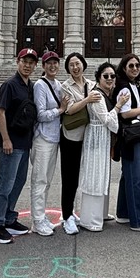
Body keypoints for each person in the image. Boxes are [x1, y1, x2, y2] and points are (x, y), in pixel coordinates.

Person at [0, 48, 39, 244]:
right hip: (10, 143)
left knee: (18, 182)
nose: (27, 65)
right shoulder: (9, 85)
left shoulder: (30, 85)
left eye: (31, 62)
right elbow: (0, 112)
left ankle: (9, 218)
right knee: (5, 185)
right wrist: (6, 139)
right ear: (18, 61)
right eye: (24, 61)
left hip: (24, 143)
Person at [113, 54, 140, 232]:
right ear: (124, 68)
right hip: (130, 135)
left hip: (131, 134)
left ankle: (123, 213)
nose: (134, 69)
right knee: (136, 178)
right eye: (131, 66)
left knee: (128, 175)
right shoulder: (124, 87)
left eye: (137, 66)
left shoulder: (132, 85)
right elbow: (124, 113)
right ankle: (139, 220)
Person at [75, 62, 120, 232]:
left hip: (104, 139)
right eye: (106, 76)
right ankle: (90, 219)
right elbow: (107, 120)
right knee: (94, 175)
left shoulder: (108, 93)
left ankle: (101, 213)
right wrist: (119, 105)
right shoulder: (97, 94)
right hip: (96, 138)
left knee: (103, 175)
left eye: (112, 76)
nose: (109, 79)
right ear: (98, 78)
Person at [29, 50, 67, 236]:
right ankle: (37, 221)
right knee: (39, 180)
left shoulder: (58, 84)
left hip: (54, 138)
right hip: (42, 138)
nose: (53, 66)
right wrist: (60, 110)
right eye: (48, 63)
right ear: (43, 66)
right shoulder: (40, 85)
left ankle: (42, 216)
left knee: (47, 180)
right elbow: (40, 114)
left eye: (55, 63)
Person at [58, 53, 94, 234]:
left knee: (83, 177)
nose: (75, 67)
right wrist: (87, 100)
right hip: (71, 137)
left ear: (83, 65)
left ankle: (74, 212)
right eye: (71, 65)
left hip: (89, 138)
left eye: (77, 63)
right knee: (69, 178)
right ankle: (66, 216)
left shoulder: (91, 84)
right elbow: (70, 110)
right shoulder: (65, 86)